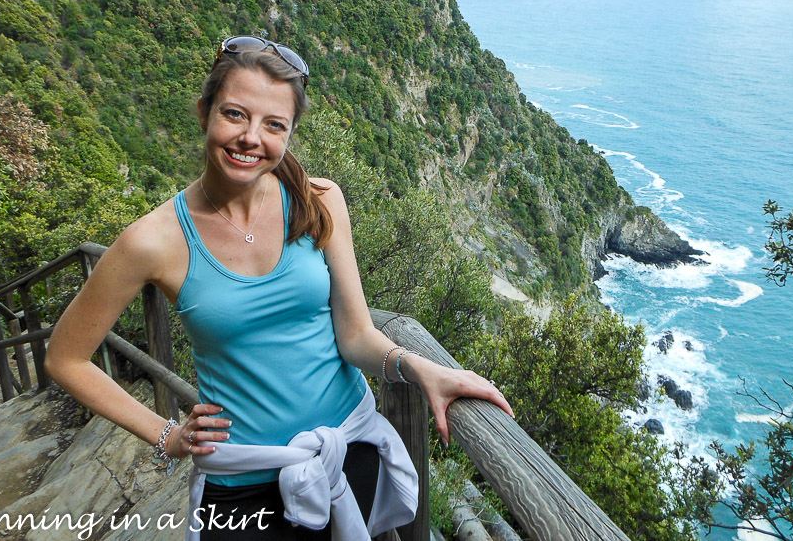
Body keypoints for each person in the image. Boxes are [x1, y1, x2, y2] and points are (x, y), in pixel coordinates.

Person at [45, 36, 514, 540]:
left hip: (347, 449)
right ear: (203, 113)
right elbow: (65, 358)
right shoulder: (153, 241)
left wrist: (421, 368)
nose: (251, 138)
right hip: (241, 483)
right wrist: (167, 436)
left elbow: (355, 334)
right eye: (234, 115)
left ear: (289, 134)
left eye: (274, 125)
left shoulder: (319, 201)